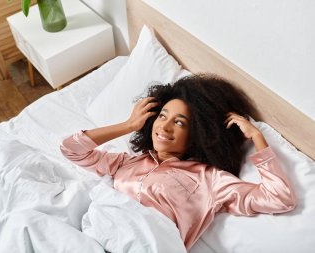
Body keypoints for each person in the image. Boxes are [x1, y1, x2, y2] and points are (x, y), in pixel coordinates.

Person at [60, 74, 296, 251]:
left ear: (199, 134)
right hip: (93, 238)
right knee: (26, 224)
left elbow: (279, 198)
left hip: (147, 245)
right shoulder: (127, 162)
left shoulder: (210, 180)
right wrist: (128, 125)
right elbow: (71, 149)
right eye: (162, 116)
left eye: (180, 123)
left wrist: (257, 138)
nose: (165, 126)